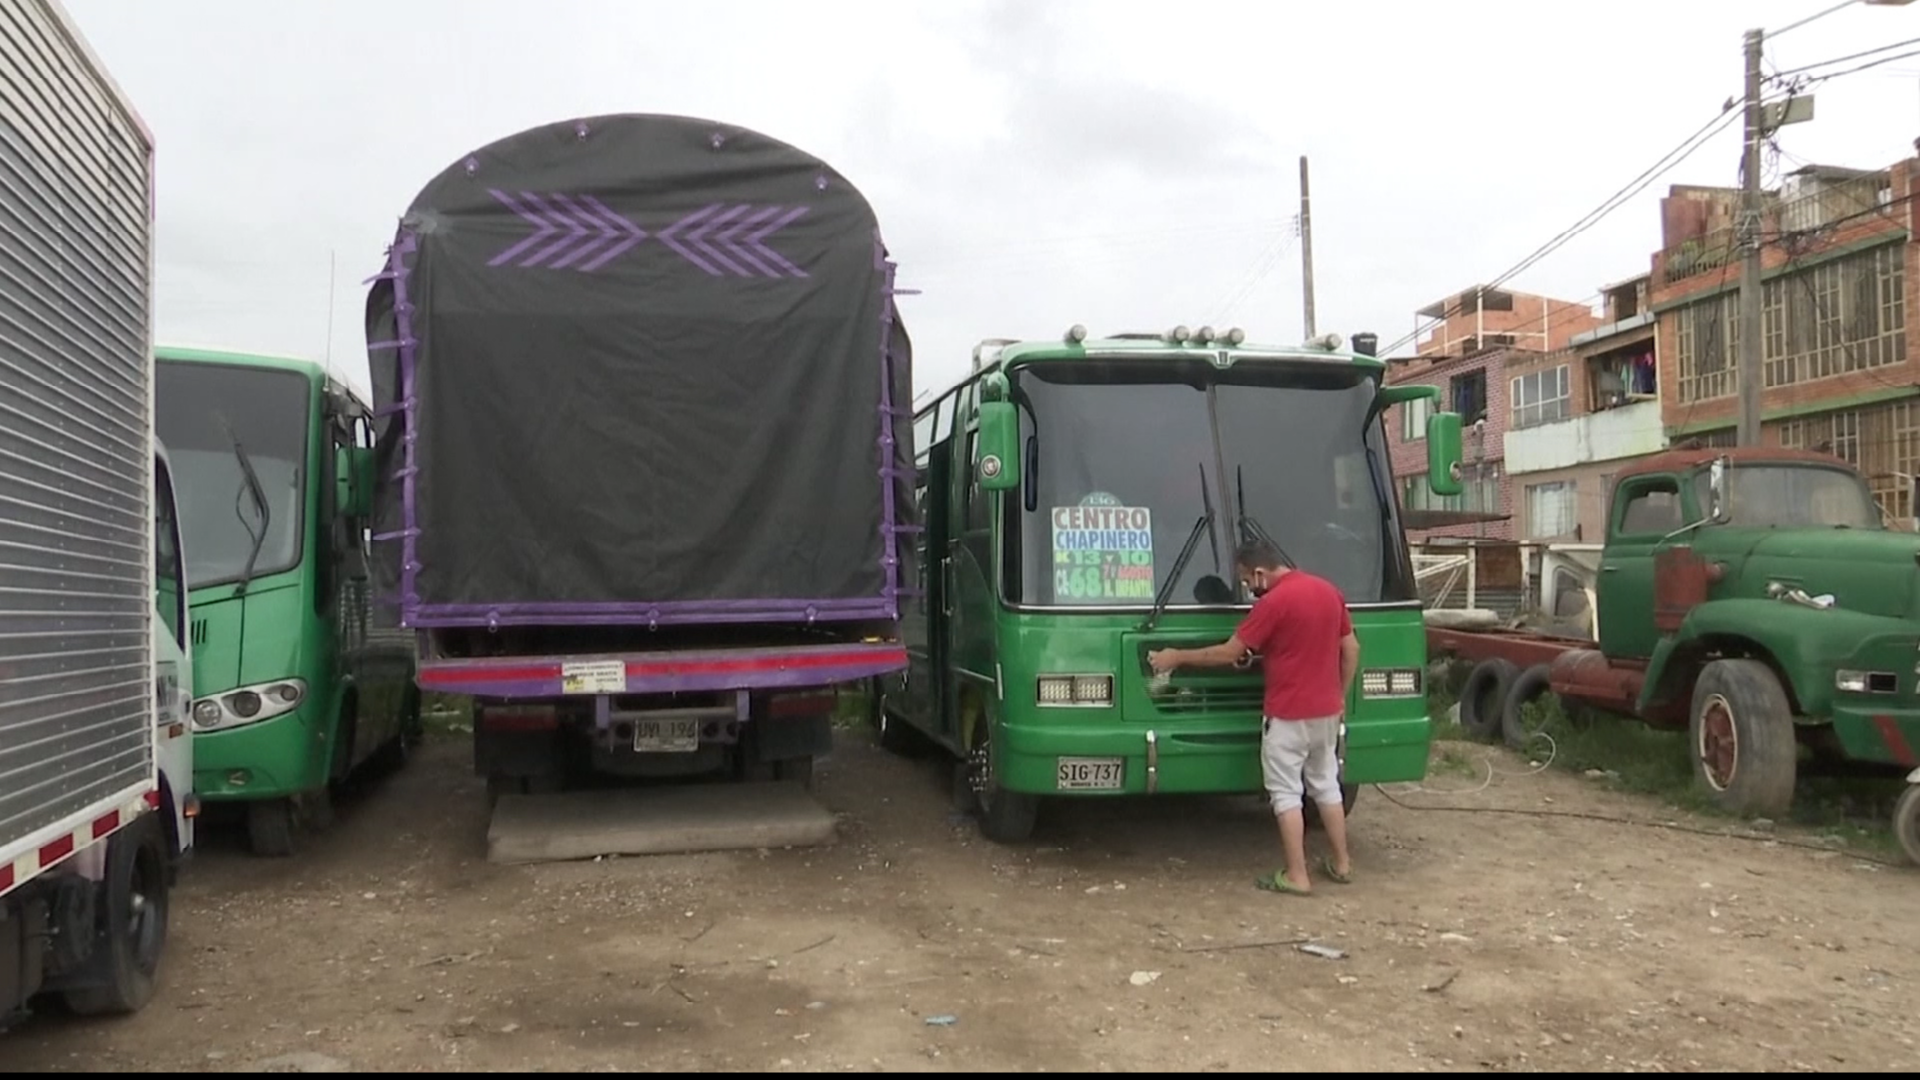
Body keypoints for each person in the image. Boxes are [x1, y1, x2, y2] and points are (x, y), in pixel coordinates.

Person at [1146, 538, 1359, 896]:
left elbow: (1228, 654)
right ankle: (1342, 864)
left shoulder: (1273, 603)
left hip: (1287, 714)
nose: (1248, 588)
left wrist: (1176, 657)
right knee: (1326, 784)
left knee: (1286, 793)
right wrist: (1339, 695)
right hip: (1327, 712)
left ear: (1260, 572)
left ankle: (1297, 875)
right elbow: (1351, 647)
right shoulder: (1328, 591)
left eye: (1246, 580)